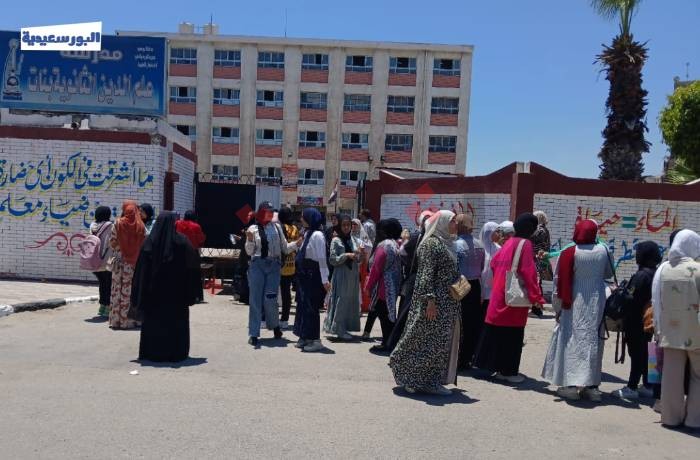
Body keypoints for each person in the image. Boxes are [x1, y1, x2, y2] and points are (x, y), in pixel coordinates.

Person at [389, 210, 462, 396]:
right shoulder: (431, 244)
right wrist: (430, 300)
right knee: (420, 340)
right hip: (433, 304)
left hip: (447, 303)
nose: (456, 224)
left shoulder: (447, 243)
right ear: (442, 223)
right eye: (452, 220)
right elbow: (426, 275)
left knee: (437, 344)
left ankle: (429, 381)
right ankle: (411, 377)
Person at [541, 219, 613, 401]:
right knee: (593, 342)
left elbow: (559, 281)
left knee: (572, 340)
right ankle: (592, 387)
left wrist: (557, 307)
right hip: (596, 302)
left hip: (573, 303)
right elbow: (608, 274)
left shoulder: (569, 252)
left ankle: (571, 386)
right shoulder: (604, 250)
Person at [474, 213, 545, 384]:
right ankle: (507, 372)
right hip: (512, 298)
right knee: (513, 336)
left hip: (499, 293)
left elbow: (494, 263)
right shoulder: (525, 244)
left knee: (498, 333)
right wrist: (536, 297)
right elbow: (528, 272)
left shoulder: (508, 242)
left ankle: (495, 368)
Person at [130, 212, 200, 362]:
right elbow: (192, 267)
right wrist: (191, 290)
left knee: (153, 323)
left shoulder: (149, 242)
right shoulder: (182, 242)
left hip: (153, 294)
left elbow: (141, 271)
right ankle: (176, 353)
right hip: (176, 294)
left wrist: (139, 292)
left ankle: (151, 352)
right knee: (175, 323)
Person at [651, 229, 700, 430]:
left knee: (671, 376)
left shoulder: (664, 269)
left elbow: (656, 300)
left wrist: (657, 328)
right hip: (695, 332)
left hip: (670, 331)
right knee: (698, 376)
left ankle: (670, 418)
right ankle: (694, 419)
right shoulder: (698, 269)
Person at [245, 202, 301, 347]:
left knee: (270, 299)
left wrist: (296, 244)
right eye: (266, 211)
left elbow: (285, 248)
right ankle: (254, 333)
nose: (269, 214)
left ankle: (275, 326)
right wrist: (250, 240)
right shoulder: (253, 229)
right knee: (255, 300)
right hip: (257, 265)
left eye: (271, 211)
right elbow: (249, 252)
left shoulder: (277, 228)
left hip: (273, 266)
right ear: (260, 212)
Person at [612, 241, 661, 400]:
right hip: (649, 321)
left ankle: (632, 387)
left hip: (636, 321)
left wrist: (619, 293)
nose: (636, 256)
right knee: (647, 353)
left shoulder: (641, 276)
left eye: (638, 253)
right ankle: (648, 385)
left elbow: (631, 298)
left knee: (637, 354)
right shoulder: (657, 273)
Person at [385, 211, 433, 351]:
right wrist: (410, 263)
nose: (428, 223)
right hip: (414, 278)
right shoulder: (417, 237)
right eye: (425, 220)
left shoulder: (433, 237)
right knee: (406, 312)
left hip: (425, 279)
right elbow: (402, 252)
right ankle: (395, 344)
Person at [363, 218, 403, 353]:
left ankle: (387, 343)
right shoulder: (395, 244)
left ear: (385, 231)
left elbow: (376, 269)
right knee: (388, 313)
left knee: (384, 315)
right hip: (393, 284)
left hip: (383, 286)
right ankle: (389, 341)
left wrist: (368, 286)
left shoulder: (384, 245)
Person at [294, 208, 331, 352]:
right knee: (303, 306)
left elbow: (322, 258)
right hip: (304, 275)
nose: (301, 219)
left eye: (303, 217)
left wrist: (325, 279)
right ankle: (305, 336)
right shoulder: (307, 233)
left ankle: (315, 340)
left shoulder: (318, 235)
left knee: (312, 307)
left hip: (313, 275)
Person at [453, 213, 485, 370]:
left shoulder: (455, 245)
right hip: (475, 285)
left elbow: (454, 269)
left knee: (458, 322)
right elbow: (482, 267)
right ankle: (468, 356)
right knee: (472, 322)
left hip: (460, 284)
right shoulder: (480, 244)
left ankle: (457, 358)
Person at [108, 201, 146, 330]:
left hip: (120, 262)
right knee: (132, 292)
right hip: (135, 264)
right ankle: (132, 321)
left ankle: (117, 321)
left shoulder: (117, 223)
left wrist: (121, 248)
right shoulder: (141, 225)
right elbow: (144, 244)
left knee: (118, 290)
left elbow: (112, 243)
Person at [324, 214, 361, 340]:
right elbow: (332, 259)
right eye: (343, 225)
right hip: (341, 275)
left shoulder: (353, 239)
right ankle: (338, 329)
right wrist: (346, 255)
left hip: (352, 275)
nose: (346, 227)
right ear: (339, 226)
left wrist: (359, 255)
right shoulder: (336, 240)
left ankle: (345, 327)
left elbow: (358, 259)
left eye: (348, 225)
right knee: (341, 301)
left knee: (350, 301)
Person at [176, 210, 207, 303]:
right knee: (194, 274)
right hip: (192, 253)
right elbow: (201, 240)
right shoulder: (196, 226)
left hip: (179, 252)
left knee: (179, 273)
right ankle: (195, 296)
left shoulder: (177, 223)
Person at [90, 206, 114, 318]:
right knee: (108, 284)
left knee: (102, 283)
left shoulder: (92, 226)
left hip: (95, 260)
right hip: (107, 260)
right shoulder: (111, 226)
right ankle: (107, 307)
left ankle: (102, 306)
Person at [278, 207, 299, 329]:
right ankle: (285, 319)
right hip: (291, 265)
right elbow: (296, 246)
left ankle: (268, 317)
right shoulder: (294, 228)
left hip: (280, 265)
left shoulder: (281, 227)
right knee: (286, 294)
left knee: (272, 292)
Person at [530, 211, 551, 318]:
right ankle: (537, 307)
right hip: (541, 259)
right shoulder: (545, 230)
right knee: (538, 282)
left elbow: (531, 239)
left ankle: (536, 309)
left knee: (536, 283)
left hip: (537, 258)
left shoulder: (539, 230)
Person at [352, 218, 373, 314]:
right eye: (352, 224)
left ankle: (360, 306)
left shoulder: (363, 235)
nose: (353, 226)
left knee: (360, 286)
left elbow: (369, 246)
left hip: (361, 264)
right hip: (351, 263)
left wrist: (361, 249)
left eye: (355, 224)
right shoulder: (349, 234)